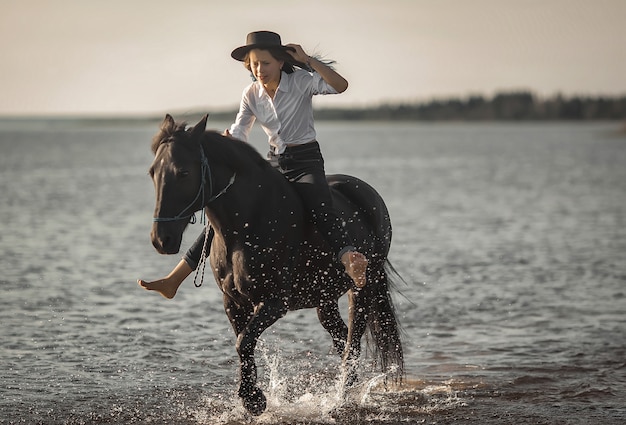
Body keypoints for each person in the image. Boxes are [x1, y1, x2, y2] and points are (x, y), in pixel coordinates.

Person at [139, 30, 368, 299]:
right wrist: (227, 141)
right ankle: (174, 280)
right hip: (274, 162)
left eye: (266, 63)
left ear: (281, 62)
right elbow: (240, 131)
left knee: (319, 206)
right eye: (254, 64)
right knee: (224, 214)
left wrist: (308, 60)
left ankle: (349, 259)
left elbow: (340, 86)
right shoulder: (251, 93)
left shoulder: (302, 82)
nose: (260, 69)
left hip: (305, 162)